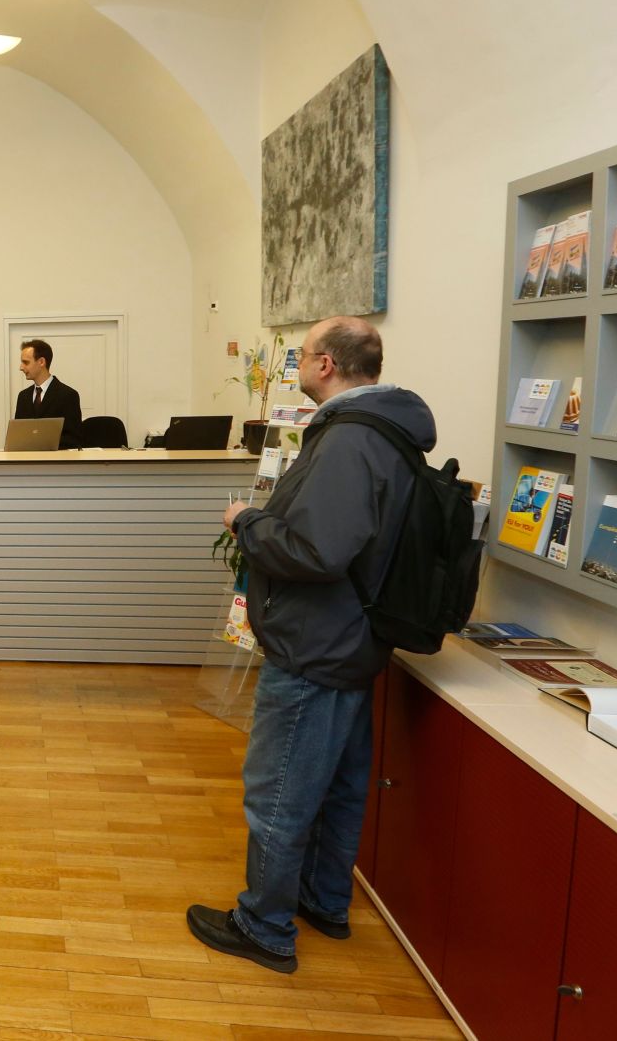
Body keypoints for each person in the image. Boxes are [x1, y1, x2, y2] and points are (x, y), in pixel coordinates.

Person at [187, 316, 434, 974]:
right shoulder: (388, 431)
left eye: (302, 353)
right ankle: (323, 900)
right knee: (339, 783)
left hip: (317, 641)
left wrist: (248, 521)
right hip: (351, 638)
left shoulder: (350, 441)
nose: (296, 362)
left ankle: (264, 925)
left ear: (326, 364)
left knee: (279, 790)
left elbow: (315, 549)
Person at [14, 338, 83, 448]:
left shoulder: (68, 395)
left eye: (26, 362)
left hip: (57, 462)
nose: (21, 367)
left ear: (41, 362)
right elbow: (18, 435)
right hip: (27, 462)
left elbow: (73, 438)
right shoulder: (23, 396)